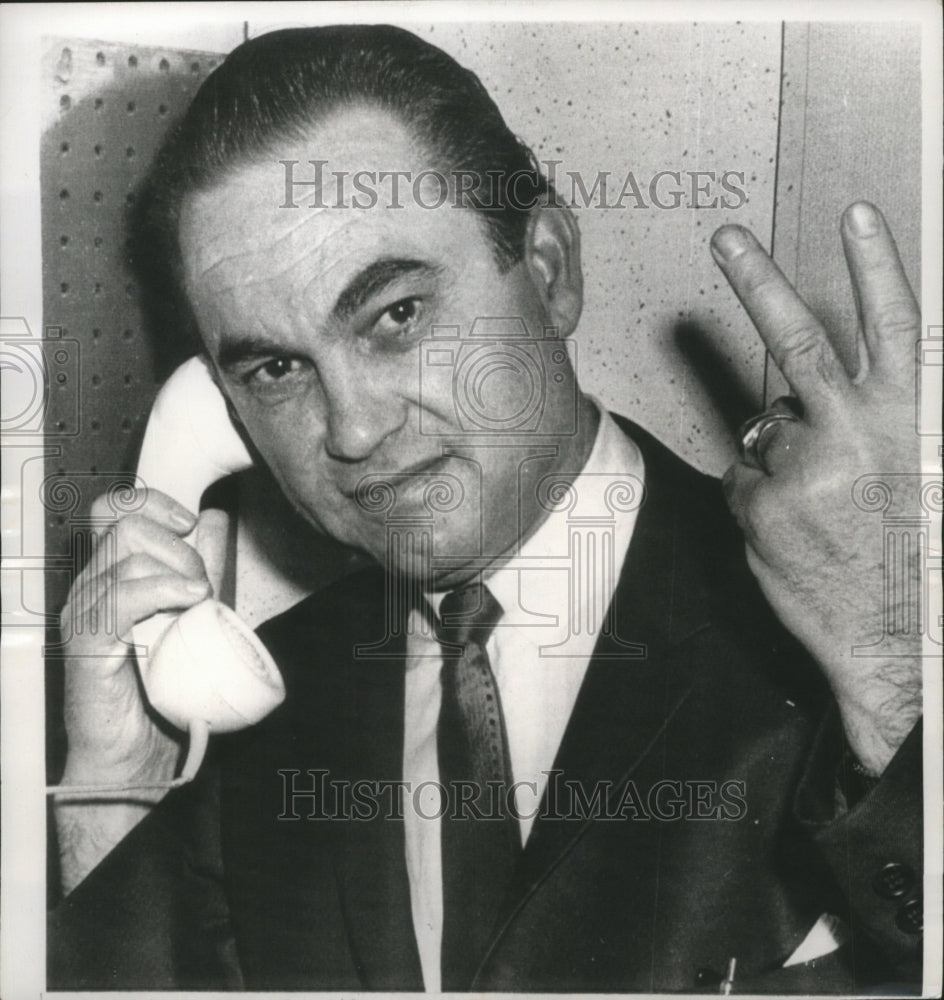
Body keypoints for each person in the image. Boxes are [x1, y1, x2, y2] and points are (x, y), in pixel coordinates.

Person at [48, 25, 923, 993]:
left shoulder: (841, 631)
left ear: (546, 270)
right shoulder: (267, 724)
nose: (350, 429)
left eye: (394, 315)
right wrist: (114, 775)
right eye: (276, 368)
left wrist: (893, 696)